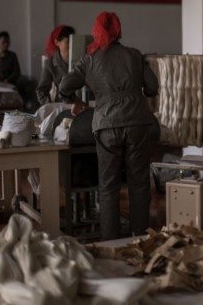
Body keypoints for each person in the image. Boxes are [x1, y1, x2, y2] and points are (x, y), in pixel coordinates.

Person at [59, 12, 158, 239]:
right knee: (139, 184)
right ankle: (140, 237)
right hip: (137, 123)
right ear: (118, 30)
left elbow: (64, 86)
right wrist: (137, 92)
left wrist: (75, 102)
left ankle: (109, 241)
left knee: (108, 186)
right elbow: (152, 87)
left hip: (106, 126)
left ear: (96, 32)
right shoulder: (134, 55)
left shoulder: (89, 59)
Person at [36, 25, 76, 105]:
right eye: (68, 42)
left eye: (74, 41)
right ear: (57, 42)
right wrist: (51, 106)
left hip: (82, 103)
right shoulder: (50, 64)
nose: (72, 45)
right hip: (62, 104)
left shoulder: (83, 59)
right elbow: (41, 91)